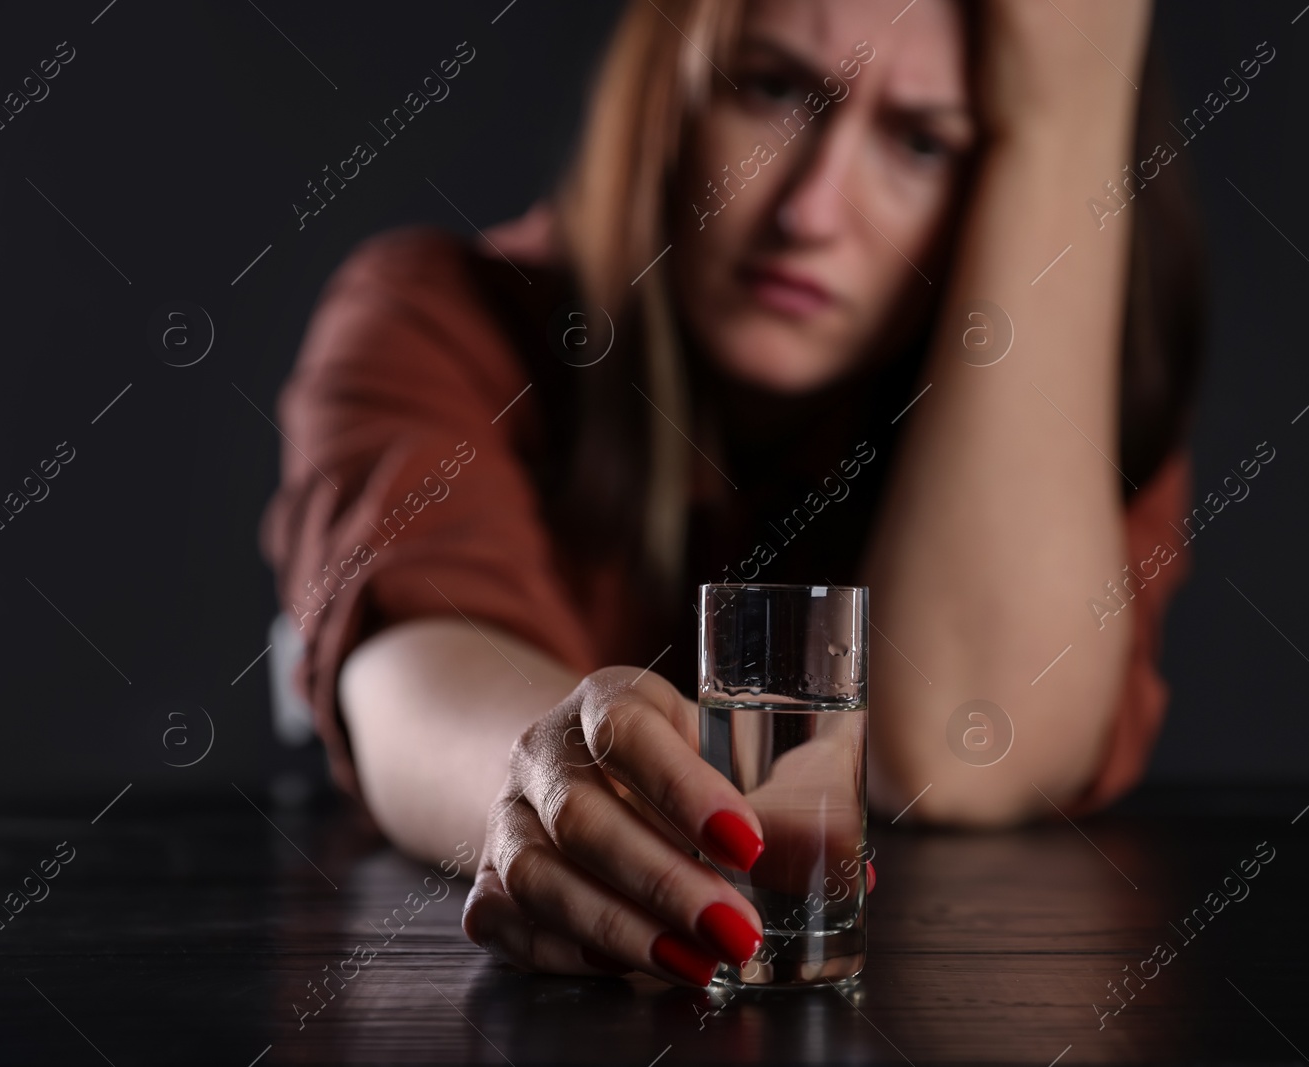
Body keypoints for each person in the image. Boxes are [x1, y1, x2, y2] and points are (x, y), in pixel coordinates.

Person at [261, 0, 1203, 988]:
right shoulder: (437, 316)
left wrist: (1071, 106)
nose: (810, 209)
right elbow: (413, 673)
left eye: (924, 141)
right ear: (660, 84)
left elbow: (963, 750)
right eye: (771, 87)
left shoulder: (1070, 407)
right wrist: (558, 777)